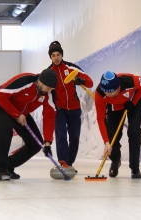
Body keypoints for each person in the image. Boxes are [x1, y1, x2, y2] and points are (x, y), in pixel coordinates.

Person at [0, 69, 58, 181]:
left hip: (21, 112)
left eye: (52, 89)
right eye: (48, 88)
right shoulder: (25, 80)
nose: (49, 91)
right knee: (6, 129)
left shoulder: (49, 95)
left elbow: (49, 117)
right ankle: (0, 169)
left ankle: (8, 166)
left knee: (35, 144)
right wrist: (17, 114)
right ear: (40, 82)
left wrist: (47, 143)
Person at [47, 41, 93, 170]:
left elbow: (90, 82)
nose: (56, 58)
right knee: (61, 136)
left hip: (74, 109)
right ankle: (63, 162)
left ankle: (70, 163)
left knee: (74, 138)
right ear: (50, 57)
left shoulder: (72, 68)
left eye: (58, 54)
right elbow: (42, 89)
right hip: (59, 110)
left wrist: (81, 80)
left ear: (62, 55)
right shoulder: (49, 73)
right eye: (53, 55)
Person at [95, 71, 141, 179]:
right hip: (115, 106)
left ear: (118, 87)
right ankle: (115, 160)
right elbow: (100, 119)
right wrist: (106, 142)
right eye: (105, 92)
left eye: (110, 92)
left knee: (134, 131)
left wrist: (133, 102)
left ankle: (135, 168)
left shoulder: (129, 82)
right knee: (112, 135)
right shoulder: (100, 93)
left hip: (133, 102)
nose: (107, 95)